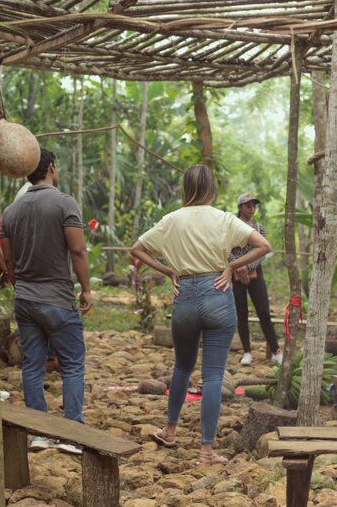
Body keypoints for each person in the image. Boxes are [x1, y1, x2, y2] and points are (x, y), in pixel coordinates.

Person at [130, 164, 272, 465]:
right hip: (218, 292)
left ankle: (170, 431)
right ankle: (206, 450)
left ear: (187, 187)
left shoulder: (172, 220)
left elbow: (137, 249)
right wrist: (231, 266)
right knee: (213, 375)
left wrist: (169, 271)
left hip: (184, 295)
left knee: (182, 367)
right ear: (212, 188)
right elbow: (263, 245)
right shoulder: (223, 218)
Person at [0, 149, 93, 451]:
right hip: (57, 299)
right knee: (73, 364)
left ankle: (40, 432)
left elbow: (7, 259)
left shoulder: (12, 210)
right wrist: (87, 289)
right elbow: (77, 250)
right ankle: (73, 431)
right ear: (51, 168)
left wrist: (19, 283)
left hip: (25, 299)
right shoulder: (64, 203)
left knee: (32, 365)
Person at [229, 193, 281, 365]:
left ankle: (276, 350)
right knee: (241, 313)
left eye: (254, 205)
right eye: (248, 205)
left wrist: (248, 267)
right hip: (236, 272)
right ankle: (247, 352)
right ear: (240, 207)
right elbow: (226, 249)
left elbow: (263, 253)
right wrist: (237, 266)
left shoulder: (260, 228)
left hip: (255, 272)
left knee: (264, 311)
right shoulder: (232, 226)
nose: (252, 208)